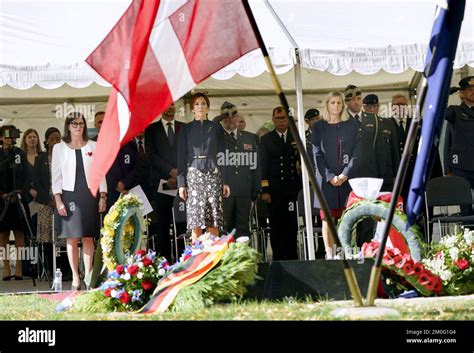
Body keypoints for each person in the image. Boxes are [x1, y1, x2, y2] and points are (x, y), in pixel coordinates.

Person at [52, 112, 107, 290]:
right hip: (68, 195)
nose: (78, 126)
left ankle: (89, 276)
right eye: (74, 123)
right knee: (72, 238)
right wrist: (58, 199)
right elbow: (56, 176)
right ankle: (76, 277)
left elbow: (101, 172)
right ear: (68, 126)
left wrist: (103, 195)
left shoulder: (95, 145)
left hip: (90, 195)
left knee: (88, 237)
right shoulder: (58, 148)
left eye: (81, 123)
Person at [177, 93, 230, 242]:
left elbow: (223, 155)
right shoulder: (185, 129)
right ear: (192, 109)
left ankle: (214, 259)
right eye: (197, 104)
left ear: (208, 108)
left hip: (213, 174)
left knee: (213, 219)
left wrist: (225, 181)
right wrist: (181, 184)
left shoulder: (216, 128)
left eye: (203, 103)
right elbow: (181, 158)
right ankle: (197, 259)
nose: (200, 106)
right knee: (196, 222)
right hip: (194, 175)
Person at [312, 92, 359, 259]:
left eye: (339, 103)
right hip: (327, 181)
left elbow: (356, 152)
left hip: (347, 180)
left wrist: (345, 174)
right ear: (327, 105)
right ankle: (331, 255)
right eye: (333, 102)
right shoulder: (319, 127)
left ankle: (347, 253)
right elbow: (316, 154)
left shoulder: (351, 124)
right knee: (328, 219)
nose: (336, 106)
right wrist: (330, 176)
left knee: (349, 218)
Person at [214, 101, 261, 239]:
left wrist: (257, 187)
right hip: (223, 193)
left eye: (233, 115)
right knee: (224, 231)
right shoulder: (216, 137)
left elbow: (256, 164)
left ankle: (243, 259)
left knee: (243, 230)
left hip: (244, 191)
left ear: (238, 117)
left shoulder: (249, 138)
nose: (230, 119)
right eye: (226, 117)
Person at [260, 106, 302, 260]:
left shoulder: (296, 137)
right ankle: (278, 258)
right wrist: (265, 190)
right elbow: (263, 166)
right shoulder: (266, 140)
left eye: (284, 118)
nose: (281, 122)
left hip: (292, 189)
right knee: (277, 226)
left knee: (292, 225)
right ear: (273, 120)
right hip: (274, 191)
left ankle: (292, 256)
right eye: (278, 118)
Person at [145, 103, 184, 260]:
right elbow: (151, 155)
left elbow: (188, 152)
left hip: (181, 182)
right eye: (166, 105)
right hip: (161, 182)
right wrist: (169, 172)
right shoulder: (151, 129)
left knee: (182, 223)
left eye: (172, 105)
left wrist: (178, 174)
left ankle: (183, 258)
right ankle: (165, 262)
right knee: (162, 224)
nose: (169, 108)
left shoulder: (184, 127)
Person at [33, 127, 71, 279]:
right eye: (52, 139)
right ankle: (50, 269)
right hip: (46, 203)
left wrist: (59, 199)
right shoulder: (40, 159)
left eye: (57, 139)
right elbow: (36, 182)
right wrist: (49, 200)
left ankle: (66, 270)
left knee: (64, 237)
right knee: (48, 239)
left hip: (62, 202)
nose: (55, 142)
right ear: (46, 141)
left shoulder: (65, 157)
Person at [0, 125, 30, 280]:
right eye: (6, 135)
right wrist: (3, 194)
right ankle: (6, 267)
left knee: (19, 234)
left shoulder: (19, 153)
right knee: (3, 234)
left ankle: (18, 267)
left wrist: (19, 193)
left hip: (18, 199)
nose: (9, 138)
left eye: (11, 135)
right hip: (2, 200)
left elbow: (26, 176)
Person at [444, 76, 474, 216]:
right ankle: (468, 237)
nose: (473, 91)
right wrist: (444, 94)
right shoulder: (454, 111)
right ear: (462, 93)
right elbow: (438, 112)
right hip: (462, 166)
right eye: (469, 89)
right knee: (466, 210)